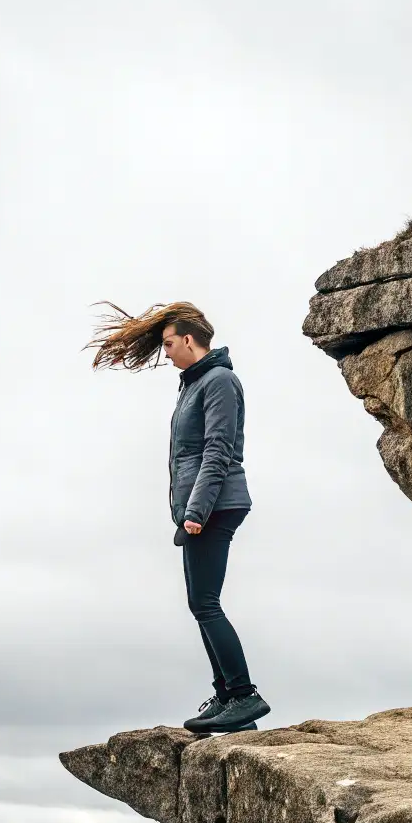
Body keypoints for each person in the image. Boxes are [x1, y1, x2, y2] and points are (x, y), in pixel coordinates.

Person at [83, 301, 271, 734]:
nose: (165, 352)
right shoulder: (194, 384)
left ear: (189, 339)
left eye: (169, 344)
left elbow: (217, 450)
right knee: (199, 603)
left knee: (205, 603)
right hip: (202, 507)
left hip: (216, 505)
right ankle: (227, 696)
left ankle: (243, 696)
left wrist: (196, 512)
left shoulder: (219, 381)